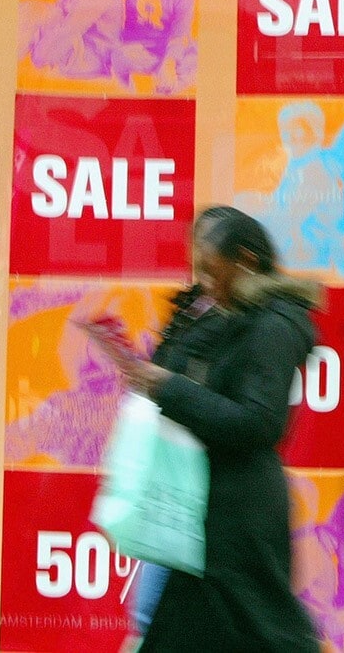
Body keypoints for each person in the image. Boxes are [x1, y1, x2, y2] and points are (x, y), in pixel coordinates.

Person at [97, 207, 320, 651]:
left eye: (210, 270)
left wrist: (168, 386)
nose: (203, 281)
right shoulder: (215, 312)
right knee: (157, 626)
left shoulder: (274, 325)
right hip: (189, 507)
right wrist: (152, 367)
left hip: (237, 518)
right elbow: (176, 379)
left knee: (259, 634)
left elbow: (258, 422)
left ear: (245, 261)